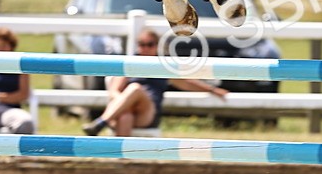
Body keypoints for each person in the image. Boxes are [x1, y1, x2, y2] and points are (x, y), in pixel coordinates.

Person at [82, 29, 228, 136]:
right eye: (141, 44)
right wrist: (126, 103)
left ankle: (101, 122)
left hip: (147, 112)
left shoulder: (163, 66)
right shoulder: (131, 62)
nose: (145, 48)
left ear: (157, 45)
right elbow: (114, 91)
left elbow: (186, 83)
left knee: (135, 88)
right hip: (124, 112)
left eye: (149, 44)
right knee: (126, 114)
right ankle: (122, 161)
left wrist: (212, 90)